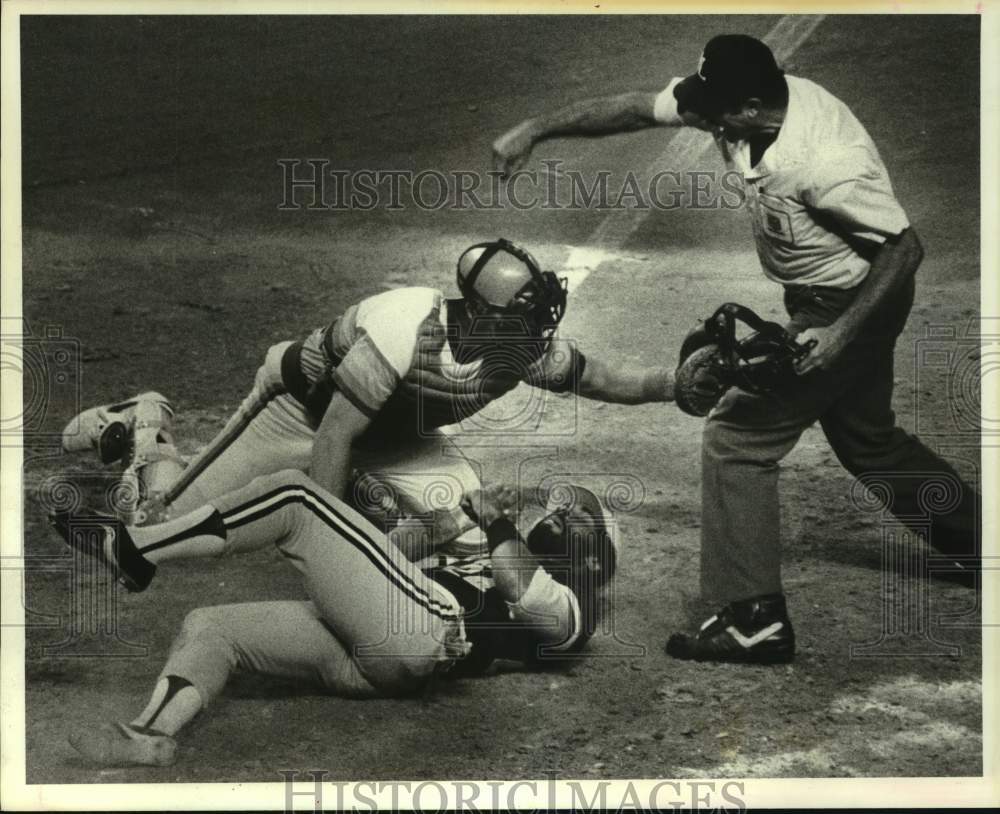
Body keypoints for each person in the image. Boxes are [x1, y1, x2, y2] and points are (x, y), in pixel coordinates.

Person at [492, 34, 980, 663]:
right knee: (869, 439)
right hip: (820, 299)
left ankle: (756, 618)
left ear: (751, 107)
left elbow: (904, 250)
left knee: (737, 439)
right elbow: (639, 108)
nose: (702, 117)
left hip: (851, 304)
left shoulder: (826, 160)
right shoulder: (742, 107)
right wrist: (536, 129)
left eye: (716, 109)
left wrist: (837, 335)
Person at [61, 238, 674, 556]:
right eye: (521, 317)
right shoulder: (405, 325)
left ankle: (372, 509)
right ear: (479, 312)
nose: (536, 331)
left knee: (465, 536)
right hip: (298, 414)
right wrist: (335, 545)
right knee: (157, 525)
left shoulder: (519, 345)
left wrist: (676, 385)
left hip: (401, 439)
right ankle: (148, 426)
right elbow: (333, 435)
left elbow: (601, 378)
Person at [50, 473, 617, 767]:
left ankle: (136, 548)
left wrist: (495, 523)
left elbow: (524, 590)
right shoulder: (485, 547)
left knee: (295, 494)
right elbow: (390, 551)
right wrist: (454, 519)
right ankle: (150, 735)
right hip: (373, 651)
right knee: (211, 623)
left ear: (587, 550)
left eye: (570, 513)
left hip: (427, 632)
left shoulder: (573, 607)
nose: (555, 509)